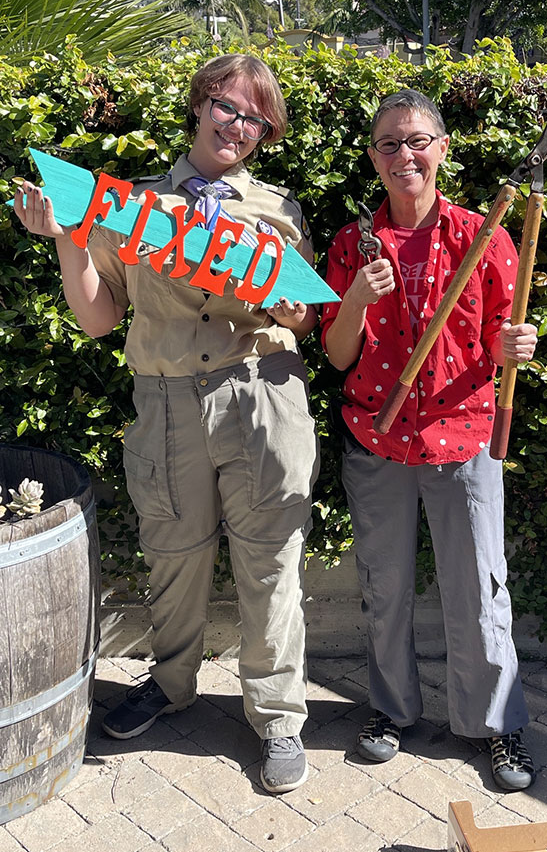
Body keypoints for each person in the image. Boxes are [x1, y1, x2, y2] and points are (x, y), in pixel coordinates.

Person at [14, 54, 319, 795]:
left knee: (271, 558)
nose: (238, 126)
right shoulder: (134, 207)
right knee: (173, 552)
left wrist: (274, 289)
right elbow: (96, 319)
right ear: (199, 103)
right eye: (227, 106)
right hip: (168, 404)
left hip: (263, 397)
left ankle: (277, 713)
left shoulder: (278, 210)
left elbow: (305, 318)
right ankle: (173, 681)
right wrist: (65, 234)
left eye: (254, 118)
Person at [321, 89, 538, 792]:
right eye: (388, 143)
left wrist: (518, 344)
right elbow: (337, 353)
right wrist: (357, 293)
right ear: (374, 158)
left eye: (416, 140)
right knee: (385, 586)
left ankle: (495, 724)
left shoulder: (487, 235)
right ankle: (392, 710)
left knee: (479, 589)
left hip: (465, 438)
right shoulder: (354, 243)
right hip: (377, 442)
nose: (403, 154)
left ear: (442, 149)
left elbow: (507, 335)